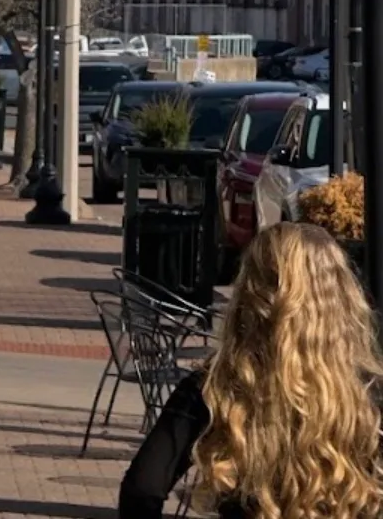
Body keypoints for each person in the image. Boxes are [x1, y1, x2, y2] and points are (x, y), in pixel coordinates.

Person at [118, 221, 383, 518]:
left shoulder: (214, 387)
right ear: (342, 297)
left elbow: (142, 490)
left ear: (251, 294)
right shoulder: (368, 392)